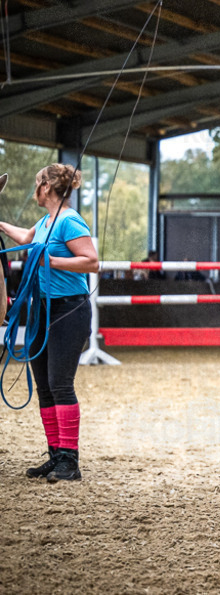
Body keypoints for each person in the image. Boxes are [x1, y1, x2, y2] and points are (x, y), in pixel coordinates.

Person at [0, 164, 99, 482]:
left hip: (68, 310)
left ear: (47, 187)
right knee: (43, 384)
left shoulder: (69, 220)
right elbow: (27, 239)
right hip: (42, 309)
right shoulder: (45, 222)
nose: (34, 189)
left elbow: (92, 262)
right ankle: (56, 455)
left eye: (37, 182)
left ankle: (70, 460)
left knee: (59, 383)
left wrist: (50, 259)